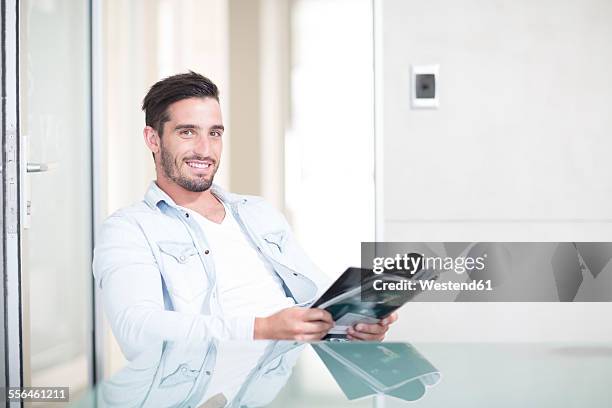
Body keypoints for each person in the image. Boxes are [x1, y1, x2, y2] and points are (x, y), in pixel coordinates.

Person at [93, 71, 397, 360]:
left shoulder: (258, 212)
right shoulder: (128, 229)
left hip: (294, 374)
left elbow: (318, 299)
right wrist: (262, 329)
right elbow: (138, 331)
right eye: (187, 132)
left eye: (215, 133)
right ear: (153, 139)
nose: (205, 149)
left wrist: (354, 323)